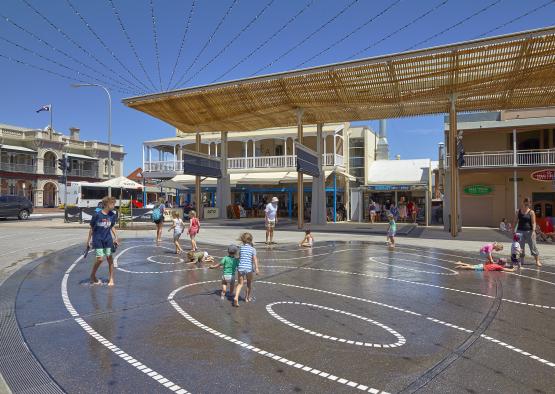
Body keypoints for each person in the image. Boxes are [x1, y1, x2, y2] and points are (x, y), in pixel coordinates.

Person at [86, 196, 119, 286]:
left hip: (108, 239)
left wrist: (116, 237)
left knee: (109, 258)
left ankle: (111, 278)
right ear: (107, 204)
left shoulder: (112, 215)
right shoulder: (97, 215)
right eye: (113, 204)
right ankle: (92, 276)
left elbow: (112, 226)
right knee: (100, 259)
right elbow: (92, 228)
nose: (114, 205)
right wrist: (88, 241)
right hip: (98, 239)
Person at [513, 198, 541, 267]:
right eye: (525, 202)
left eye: (528, 203)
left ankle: (537, 261)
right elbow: (515, 221)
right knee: (520, 247)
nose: (527, 204)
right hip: (519, 231)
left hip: (529, 231)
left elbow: (533, 222)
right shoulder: (518, 211)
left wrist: (534, 231)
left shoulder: (531, 212)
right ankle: (521, 260)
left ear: (530, 204)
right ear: (523, 202)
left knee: (533, 246)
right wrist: (513, 229)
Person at [234, 232, 260, 307]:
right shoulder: (253, 249)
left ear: (243, 240)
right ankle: (247, 298)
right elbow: (255, 259)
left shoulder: (241, 248)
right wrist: (257, 268)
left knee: (240, 284)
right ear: (251, 240)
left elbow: (239, 257)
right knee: (249, 283)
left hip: (241, 268)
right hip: (249, 268)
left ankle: (236, 297)